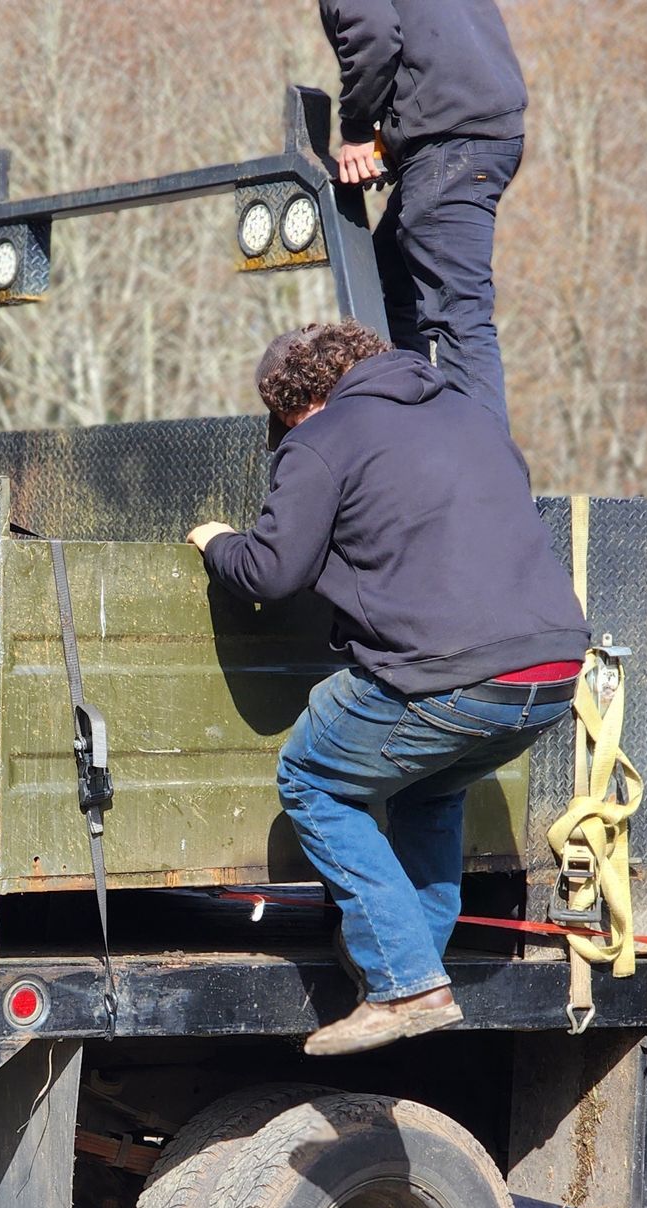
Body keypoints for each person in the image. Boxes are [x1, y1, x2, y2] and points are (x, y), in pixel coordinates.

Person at [188, 321, 587, 1055]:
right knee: (428, 791)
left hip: (453, 676)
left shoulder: (324, 435)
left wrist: (216, 540)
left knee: (313, 777)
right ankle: (413, 964)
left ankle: (405, 984)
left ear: (297, 402)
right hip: (555, 673)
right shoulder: (470, 414)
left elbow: (271, 573)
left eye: (280, 425)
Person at [320, 0, 527, 426]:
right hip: (482, 128)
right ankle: (415, 441)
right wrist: (398, 140)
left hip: (450, 139)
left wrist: (358, 131)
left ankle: (483, 479)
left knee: (456, 313)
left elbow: (373, 33)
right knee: (383, 285)